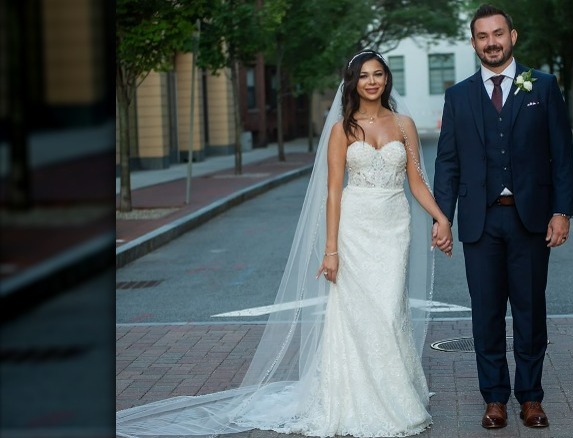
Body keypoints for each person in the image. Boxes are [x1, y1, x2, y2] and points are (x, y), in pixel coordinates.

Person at [116, 50, 452, 437]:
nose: (372, 81)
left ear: (387, 79)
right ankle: (358, 397)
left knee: (390, 311)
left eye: (378, 74)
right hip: (355, 228)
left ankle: (393, 392)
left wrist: (440, 217)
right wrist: (331, 250)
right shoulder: (342, 129)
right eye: (364, 76)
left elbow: (415, 181)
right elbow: (332, 193)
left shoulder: (404, 124)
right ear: (353, 82)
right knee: (359, 314)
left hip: (394, 227)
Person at [431, 4, 573, 430]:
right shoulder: (458, 96)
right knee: (486, 314)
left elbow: (561, 157)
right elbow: (448, 163)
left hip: (530, 219)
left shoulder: (543, 87)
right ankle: (494, 398)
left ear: (513, 36)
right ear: (473, 42)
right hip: (480, 221)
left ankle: (531, 398)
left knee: (531, 311)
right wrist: (443, 219)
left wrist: (562, 210)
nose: (491, 42)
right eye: (482, 36)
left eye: (498, 34)